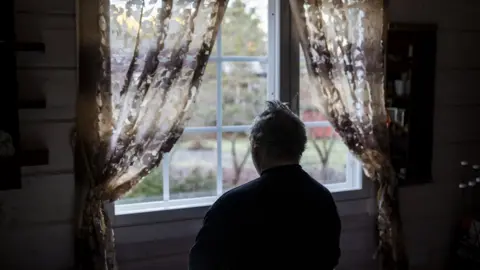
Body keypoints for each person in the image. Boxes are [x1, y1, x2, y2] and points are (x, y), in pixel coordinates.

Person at [188, 100, 341, 270]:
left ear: (256, 149)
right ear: (301, 147)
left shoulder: (230, 206)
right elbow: (330, 259)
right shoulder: (322, 199)